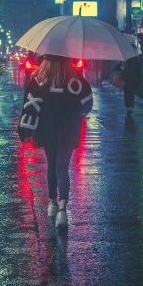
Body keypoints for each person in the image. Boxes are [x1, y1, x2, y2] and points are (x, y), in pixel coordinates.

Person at [18, 55, 94, 229]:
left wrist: (25, 131)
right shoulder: (75, 81)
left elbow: (30, 107)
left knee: (52, 165)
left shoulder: (39, 80)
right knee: (62, 167)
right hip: (68, 130)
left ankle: (52, 203)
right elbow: (87, 104)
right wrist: (76, 115)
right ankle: (62, 209)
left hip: (47, 129)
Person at [119, 49, 141, 115]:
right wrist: (122, 67)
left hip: (132, 78)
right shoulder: (124, 58)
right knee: (127, 93)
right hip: (126, 78)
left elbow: (137, 69)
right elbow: (118, 67)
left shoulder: (135, 58)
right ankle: (129, 107)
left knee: (129, 93)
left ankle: (130, 107)